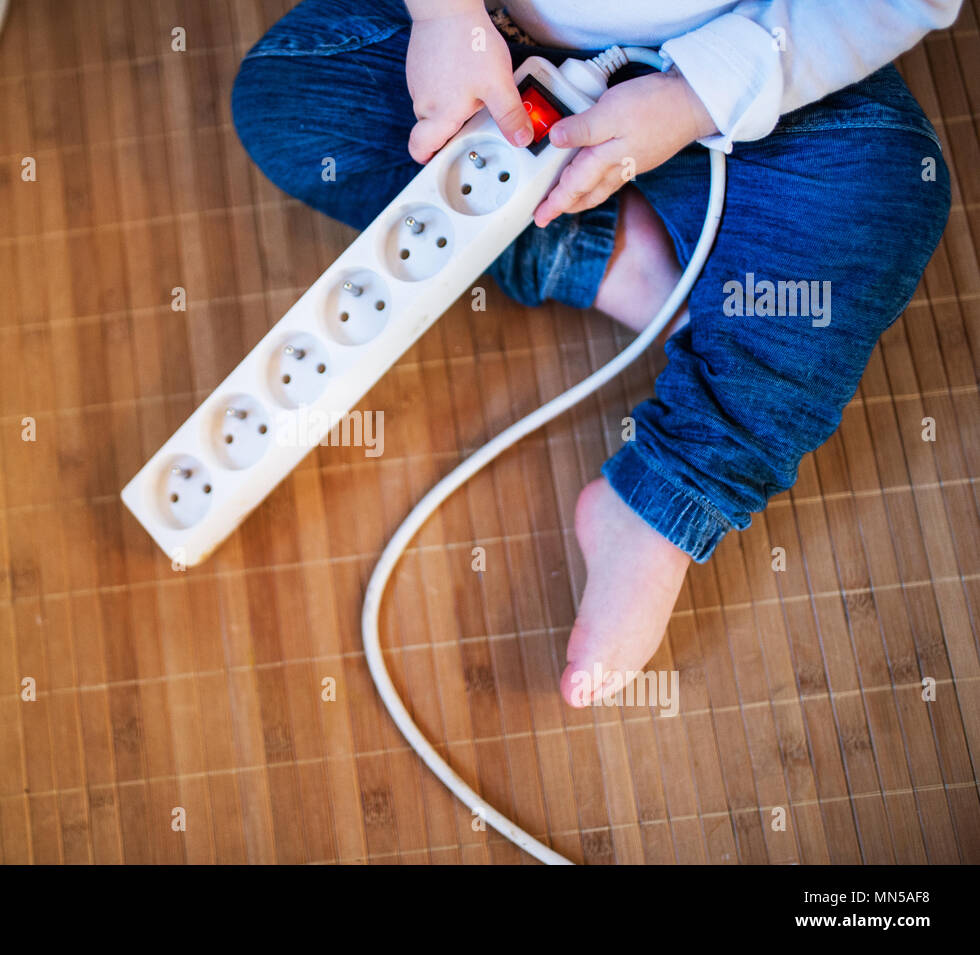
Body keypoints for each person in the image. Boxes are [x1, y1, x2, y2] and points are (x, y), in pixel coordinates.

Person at [230, 0, 960, 705]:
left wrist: (691, 98)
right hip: (486, 40)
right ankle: (619, 260)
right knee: (290, 99)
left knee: (884, 191)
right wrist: (444, 18)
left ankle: (662, 501)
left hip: (740, 75)